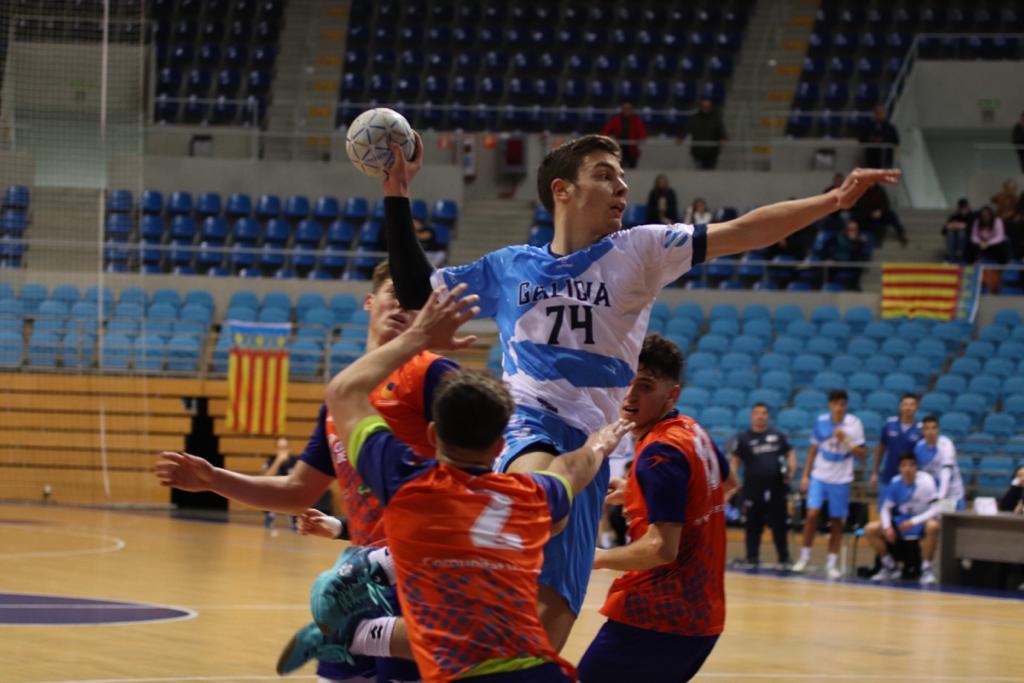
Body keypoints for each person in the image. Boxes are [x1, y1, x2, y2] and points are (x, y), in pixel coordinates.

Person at [384, 132, 900, 649]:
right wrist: (398, 191)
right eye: (604, 175)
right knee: (538, 496)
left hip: (595, 443)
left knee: (545, 633)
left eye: (622, 176)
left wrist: (833, 201)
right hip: (530, 420)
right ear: (562, 190)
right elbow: (414, 289)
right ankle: (402, 570)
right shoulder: (508, 266)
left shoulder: (642, 248)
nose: (622, 186)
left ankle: (405, 636)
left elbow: (746, 230)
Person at [154, 260, 455, 683]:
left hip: (424, 575)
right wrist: (214, 479)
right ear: (370, 301)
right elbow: (297, 491)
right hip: (358, 580)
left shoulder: (434, 374)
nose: (403, 307)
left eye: (415, 301)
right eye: (395, 294)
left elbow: (478, 462)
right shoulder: (340, 400)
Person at [317, 282, 632, 682]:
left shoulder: (407, 483)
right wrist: (599, 444)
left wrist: (418, 337)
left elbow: (343, 391)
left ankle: (356, 636)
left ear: (432, 434)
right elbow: (571, 468)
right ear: (500, 446)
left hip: (459, 672)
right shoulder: (530, 495)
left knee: (341, 614)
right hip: (537, 671)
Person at [578, 334, 735, 683]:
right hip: (701, 617)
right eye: (627, 382)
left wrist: (596, 558)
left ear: (671, 395)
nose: (630, 395)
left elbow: (661, 549)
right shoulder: (692, 430)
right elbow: (726, 483)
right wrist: (641, 493)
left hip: (657, 615)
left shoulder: (659, 453)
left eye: (645, 386)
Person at [793, 389, 866, 579]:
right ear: (830, 405)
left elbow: (862, 454)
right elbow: (812, 449)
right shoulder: (821, 421)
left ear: (846, 406)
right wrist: (805, 475)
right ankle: (804, 557)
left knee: (836, 520)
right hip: (820, 475)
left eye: (843, 404)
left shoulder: (854, 424)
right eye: (836, 404)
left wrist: (846, 440)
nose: (839, 408)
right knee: (812, 514)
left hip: (841, 478)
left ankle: (831, 563)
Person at [729, 403, 797, 569]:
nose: (760, 416)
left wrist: (791, 472)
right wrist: (736, 482)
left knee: (779, 525)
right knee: (753, 525)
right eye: (757, 413)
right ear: (751, 416)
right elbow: (735, 461)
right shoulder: (743, 438)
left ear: (768, 416)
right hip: (753, 488)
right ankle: (752, 558)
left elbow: (790, 454)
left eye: (764, 413)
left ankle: (784, 559)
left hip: (777, 488)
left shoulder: (778, 436)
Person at [865, 451, 941, 585]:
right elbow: (885, 509)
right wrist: (887, 527)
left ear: (916, 467)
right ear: (900, 468)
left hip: (920, 520)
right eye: (904, 465)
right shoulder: (895, 482)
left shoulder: (926, 482)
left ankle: (926, 569)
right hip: (901, 521)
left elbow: (936, 508)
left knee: (933, 526)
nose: (908, 469)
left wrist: (914, 521)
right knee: (870, 529)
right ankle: (890, 567)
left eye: (911, 465)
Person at [871, 394, 922, 512]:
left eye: (912, 404)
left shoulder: (920, 430)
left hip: (909, 479)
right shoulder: (889, 424)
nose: (908, 408)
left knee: (905, 513)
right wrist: (874, 472)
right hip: (888, 477)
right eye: (905, 404)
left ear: (917, 407)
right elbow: (881, 449)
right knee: (884, 512)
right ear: (900, 406)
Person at [914, 415, 966, 513]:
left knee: (945, 520)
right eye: (927, 428)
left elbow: (946, 473)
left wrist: (940, 497)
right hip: (933, 495)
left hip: (953, 496)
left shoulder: (946, 445)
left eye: (933, 428)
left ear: (938, 429)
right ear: (922, 431)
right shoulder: (919, 447)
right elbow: (919, 474)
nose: (930, 432)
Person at [263, 437, 299, 531]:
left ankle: (294, 519)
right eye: (280, 448)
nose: (282, 451)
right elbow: (265, 478)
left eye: (285, 448)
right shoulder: (271, 460)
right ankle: (270, 516)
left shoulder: (295, 461)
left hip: (290, 489)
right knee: (266, 490)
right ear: (276, 450)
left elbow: (299, 479)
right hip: (275, 490)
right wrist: (278, 461)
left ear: (289, 449)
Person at [824, 218, 871, 290]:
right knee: (829, 267)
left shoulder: (860, 239)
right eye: (850, 229)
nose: (852, 231)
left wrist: (856, 242)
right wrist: (828, 258)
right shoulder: (838, 237)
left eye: (854, 229)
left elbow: (859, 253)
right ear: (846, 229)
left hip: (851, 261)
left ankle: (854, 286)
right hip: (837, 260)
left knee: (858, 267)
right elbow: (826, 246)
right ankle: (829, 286)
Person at [601, 101, 647, 169]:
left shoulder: (636, 120)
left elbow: (642, 133)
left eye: (628, 109)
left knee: (632, 165)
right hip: (619, 145)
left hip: (631, 146)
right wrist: (607, 138)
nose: (626, 111)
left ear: (632, 110)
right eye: (625, 109)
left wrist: (641, 139)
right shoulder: (616, 119)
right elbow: (606, 130)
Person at [684, 99, 727, 170]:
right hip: (697, 151)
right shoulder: (694, 118)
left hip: (712, 152)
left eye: (707, 106)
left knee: (710, 172)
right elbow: (687, 129)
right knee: (698, 172)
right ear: (700, 107)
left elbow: (721, 130)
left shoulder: (716, 118)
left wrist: (723, 138)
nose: (705, 108)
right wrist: (681, 137)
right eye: (704, 106)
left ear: (710, 107)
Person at [859, 104, 899, 169]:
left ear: (885, 114)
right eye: (877, 113)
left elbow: (896, 140)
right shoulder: (868, 126)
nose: (879, 115)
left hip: (886, 159)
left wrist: (882, 140)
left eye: (881, 113)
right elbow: (861, 139)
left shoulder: (890, 128)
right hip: (871, 158)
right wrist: (871, 139)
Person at [942, 199, 973, 263]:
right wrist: (950, 226)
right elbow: (943, 231)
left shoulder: (972, 216)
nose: (963, 210)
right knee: (950, 232)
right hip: (954, 238)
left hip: (967, 239)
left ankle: (959, 253)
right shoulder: (954, 216)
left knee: (961, 232)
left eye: (965, 208)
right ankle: (949, 254)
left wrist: (959, 226)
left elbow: (971, 229)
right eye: (962, 208)